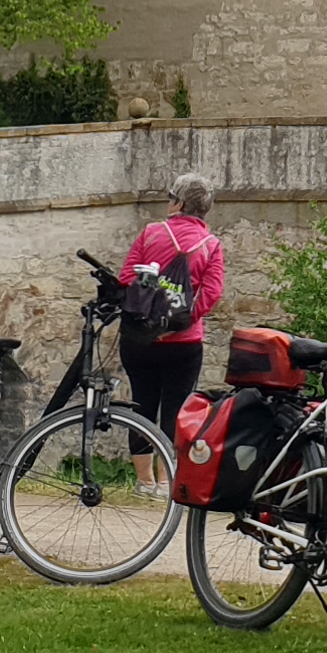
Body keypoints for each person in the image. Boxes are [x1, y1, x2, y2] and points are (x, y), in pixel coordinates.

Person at [122, 172, 226, 495]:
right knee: (177, 411)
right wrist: (178, 320)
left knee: (142, 404)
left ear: (178, 203)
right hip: (184, 343)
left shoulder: (151, 234)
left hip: (140, 340)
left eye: (170, 196)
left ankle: (144, 482)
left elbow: (128, 278)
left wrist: (153, 319)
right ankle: (168, 482)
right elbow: (211, 294)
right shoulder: (211, 246)